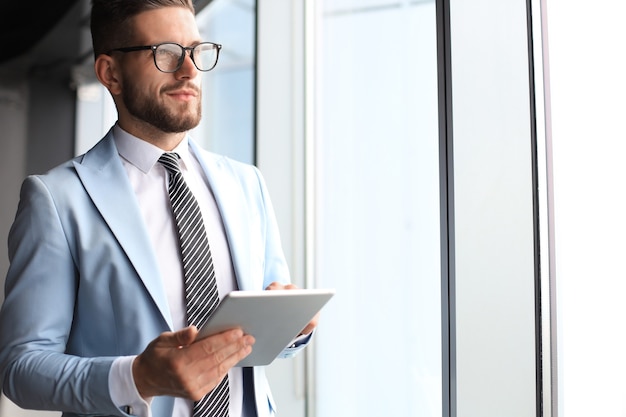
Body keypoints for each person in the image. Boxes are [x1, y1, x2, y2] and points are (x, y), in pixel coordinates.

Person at [0, 1, 318, 416]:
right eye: (165, 52)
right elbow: (21, 368)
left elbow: (259, 333)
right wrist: (137, 377)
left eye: (196, 51)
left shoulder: (246, 183)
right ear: (110, 73)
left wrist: (291, 329)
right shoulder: (58, 200)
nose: (188, 70)